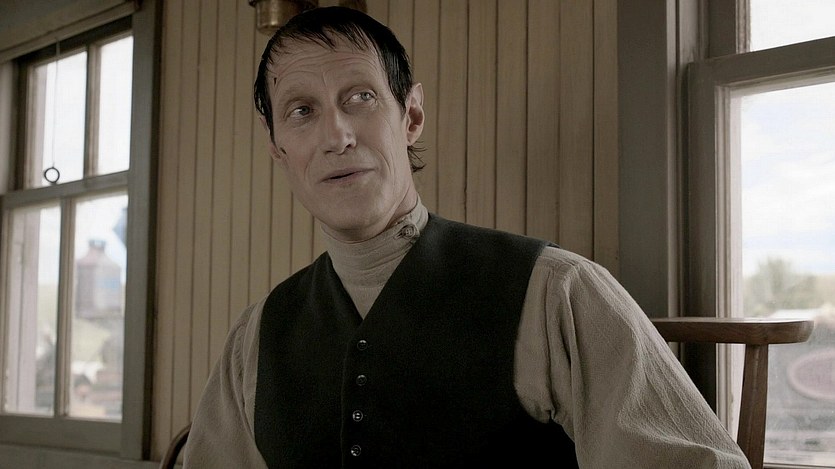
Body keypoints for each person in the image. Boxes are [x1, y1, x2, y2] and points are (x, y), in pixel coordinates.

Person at [183, 6, 750, 468]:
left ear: (411, 117)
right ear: (279, 148)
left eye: (360, 97)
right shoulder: (254, 340)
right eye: (302, 110)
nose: (337, 135)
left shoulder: (556, 293)